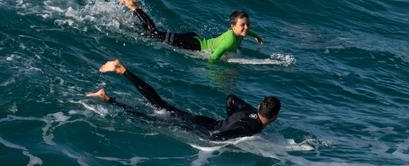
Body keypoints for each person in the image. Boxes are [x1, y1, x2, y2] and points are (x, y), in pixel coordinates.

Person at [86, 59, 280, 140]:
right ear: (275, 117)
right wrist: (224, 138)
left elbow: (230, 99)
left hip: (201, 120)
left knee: (159, 104)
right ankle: (107, 99)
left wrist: (228, 119)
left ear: (259, 106)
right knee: (148, 119)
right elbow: (221, 136)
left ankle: (123, 70)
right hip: (200, 129)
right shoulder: (252, 128)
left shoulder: (248, 111)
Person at [116, 0, 263, 63]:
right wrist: (217, 74)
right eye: (242, 25)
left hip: (196, 39)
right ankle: (134, 7)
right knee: (153, 34)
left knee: (152, 33)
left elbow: (247, 32)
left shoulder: (239, 33)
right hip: (192, 44)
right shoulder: (230, 40)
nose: (246, 28)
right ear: (232, 26)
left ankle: (132, 20)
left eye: (247, 25)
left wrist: (256, 36)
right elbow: (213, 58)